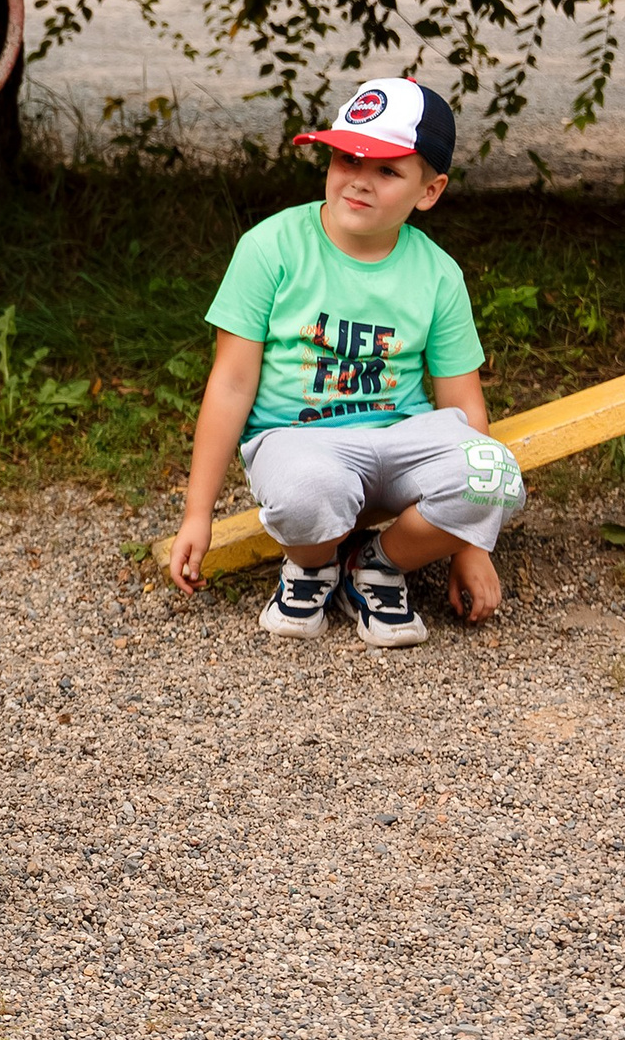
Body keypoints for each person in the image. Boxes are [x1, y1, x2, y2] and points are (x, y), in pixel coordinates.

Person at [167, 77, 526, 642]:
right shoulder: (270, 248)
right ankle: (312, 564)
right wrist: (197, 514)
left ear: (429, 191)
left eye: (387, 170)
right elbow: (231, 383)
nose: (359, 181)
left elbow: (461, 401)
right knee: (310, 491)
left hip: (399, 443)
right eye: (346, 157)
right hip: (298, 441)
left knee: (495, 474)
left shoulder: (438, 273)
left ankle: (378, 565)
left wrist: (472, 544)